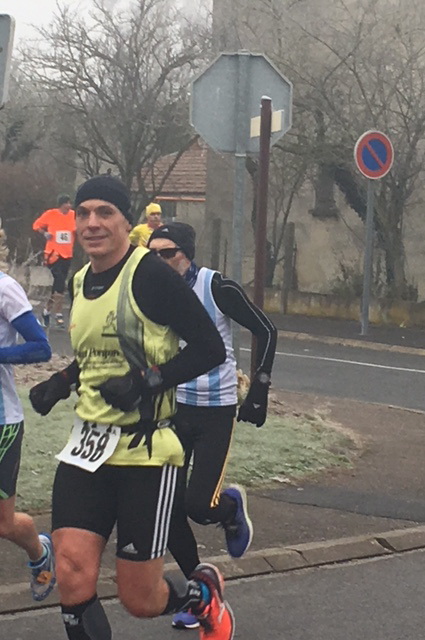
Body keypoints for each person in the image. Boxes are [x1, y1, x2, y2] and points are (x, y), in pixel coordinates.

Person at [28, 175, 234, 640]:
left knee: (139, 599)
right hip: (88, 447)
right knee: (71, 572)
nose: (92, 223)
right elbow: (101, 354)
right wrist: (62, 382)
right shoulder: (82, 280)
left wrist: (150, 380)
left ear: (126, 220)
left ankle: (202, 596)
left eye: (105, 213)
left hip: (145, 452)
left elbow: (208, 348)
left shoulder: (151, 275)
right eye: (84, 214)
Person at [148, 222, 277, 631]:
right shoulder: (154, 291)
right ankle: (200, 593)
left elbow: (267, 330)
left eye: (166, 253)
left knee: (198, 505)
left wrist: (259, 387)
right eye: (151, 253)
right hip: (175, 407)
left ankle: (231, 508)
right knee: (166, 508)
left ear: (186, 254)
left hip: (216, 410)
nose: (158, 261)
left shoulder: (217, 288)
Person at [0, 270, 55, 601]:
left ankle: (40, 552)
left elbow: (41, 348)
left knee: (4, 525)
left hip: (2, 423)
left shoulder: (5, 288)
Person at [32, 194, 76, 329]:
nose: (70, 206)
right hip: (53, 255)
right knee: (60, 281)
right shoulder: (51, 214)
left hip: (67, 255)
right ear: (62, 204)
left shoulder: (73, 215)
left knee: (58, 285)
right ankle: (58, 313)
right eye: (68, 203)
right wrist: (44, 233)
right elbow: (36, 225)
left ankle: (46, 311)